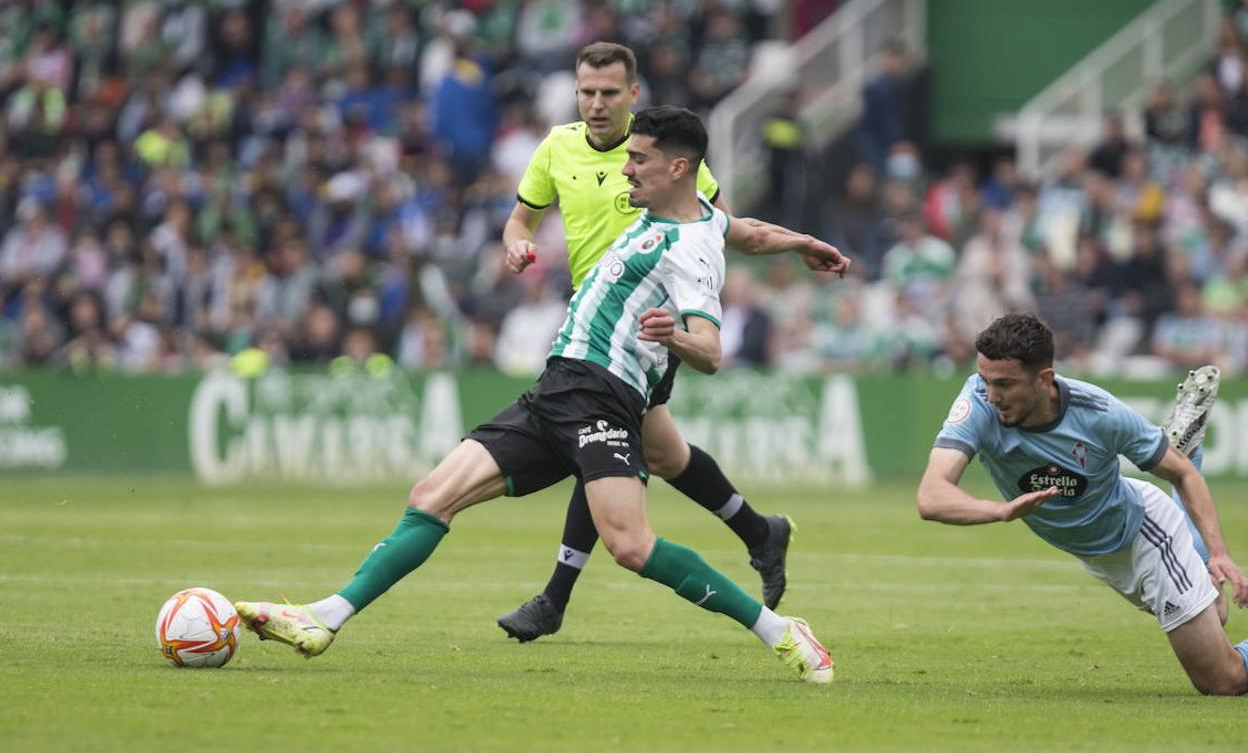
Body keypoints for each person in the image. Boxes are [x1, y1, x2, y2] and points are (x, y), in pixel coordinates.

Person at [234, 106, 842, 684]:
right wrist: (803, 241)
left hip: (603, 399)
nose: (626, 169)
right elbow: (749, 232)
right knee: (431, 496)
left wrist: (673, 335)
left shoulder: (690, 252)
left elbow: (711, 353)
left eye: (641, 160)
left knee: (631, 546)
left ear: (678, 168)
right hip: (556, 389)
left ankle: (781, 631)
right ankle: (323, 619)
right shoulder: (701, 217)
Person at [496, 41, 848, 641]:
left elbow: (718, 230)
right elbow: (521, 217)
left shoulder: (665, 155)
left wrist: (796, 242)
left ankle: (554, 597)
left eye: (609, 92)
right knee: (661, 453)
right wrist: (515, 242)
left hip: (645, 330)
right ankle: (761, 532)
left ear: (633, 95)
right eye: (587, 91)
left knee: (599, 440)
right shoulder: (557, 147)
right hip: (592, 318)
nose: (597, 103)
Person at [918, 314, 1248, 695]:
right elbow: (931, 495)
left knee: (1223, 679)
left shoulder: (1100, 413)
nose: (992, 396)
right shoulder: (978, 401)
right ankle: (1190, 494)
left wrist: (1221, 552)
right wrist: (1001, 511)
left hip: (1143, 535)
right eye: (986, 380)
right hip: (1098, 553)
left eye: (1005, 384)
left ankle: (1185, 453)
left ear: (1045, 379)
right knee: (1215, 613)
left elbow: (1184, 476)